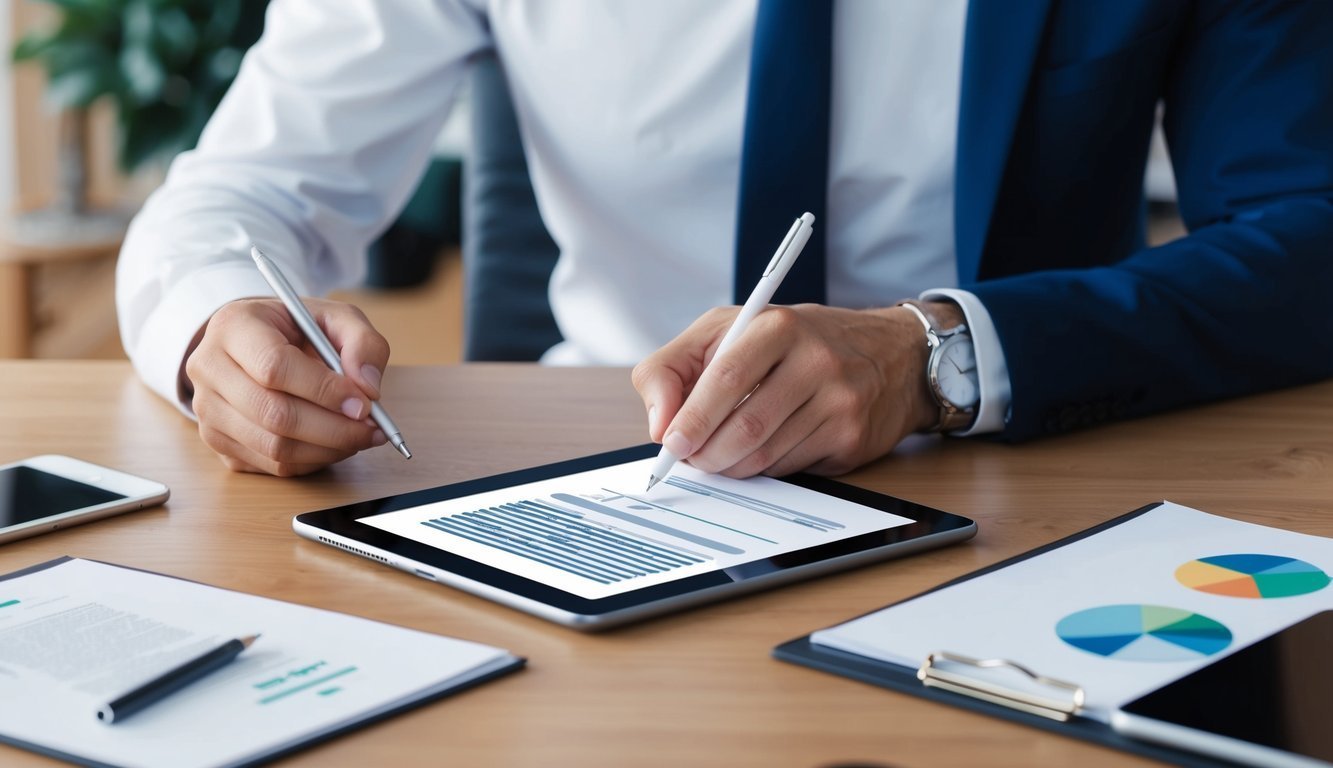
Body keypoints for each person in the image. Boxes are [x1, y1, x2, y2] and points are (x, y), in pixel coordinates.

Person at [116, 1, 1333, 478]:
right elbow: (239, 191)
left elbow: (1308, 233)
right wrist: (217, 325)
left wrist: (936, 355)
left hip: (1022, 478)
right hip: (602, 481)